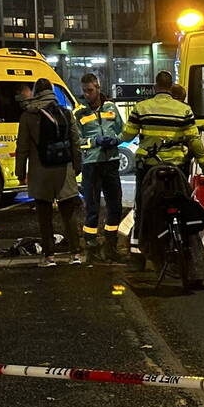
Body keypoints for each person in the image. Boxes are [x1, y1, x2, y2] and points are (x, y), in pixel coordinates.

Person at [120, 70, 204, 290]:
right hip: (176, 169)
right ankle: (194, 269)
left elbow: (127, 135)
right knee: (185, 213)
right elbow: (193, 140)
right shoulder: (184, 110)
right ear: (171, 86)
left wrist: (115, 138)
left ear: (155, 87)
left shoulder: (141, 108)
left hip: (149, 169)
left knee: (144, 211)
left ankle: (141, 257)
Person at [15, 78, 83, 267]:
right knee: (69, 213)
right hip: (64, 169)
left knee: (44, 216)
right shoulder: (65, 113)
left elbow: (22, 148)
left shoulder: (28, 115)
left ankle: (49, 256)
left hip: (40, 171)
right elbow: (75, 142)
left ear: (36, 92)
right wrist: (77, 166)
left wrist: (20, 172)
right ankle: (75, 254)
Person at [75, 73, 125, 264]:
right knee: (92, 208)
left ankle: (110, 246)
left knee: (115, 206)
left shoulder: (111, 108)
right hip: (92, 164)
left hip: (111, 161)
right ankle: (92, 248)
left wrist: (115, 140)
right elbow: (78, 141)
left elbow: (122, 130)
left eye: (90, 90)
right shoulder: (79, 113)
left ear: (98, 87)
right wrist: (94, 141)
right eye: (84, 91)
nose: (87, 94)